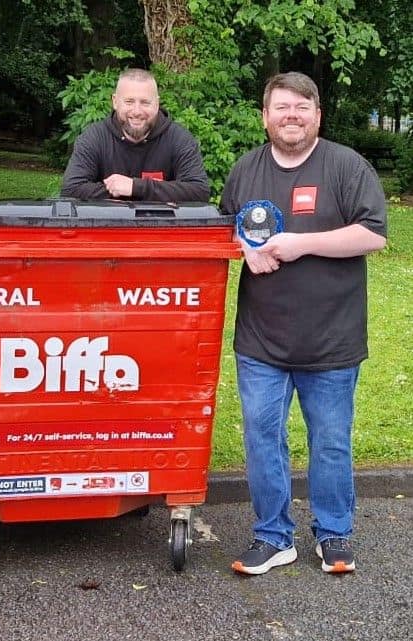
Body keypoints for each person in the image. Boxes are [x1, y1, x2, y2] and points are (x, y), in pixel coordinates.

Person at [220, 72, 387, 576]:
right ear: (265, 116)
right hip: (261, 339)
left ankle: (334, 533)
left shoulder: (346, 166)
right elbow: (224, 226)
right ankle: (273, 537)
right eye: (281, 107)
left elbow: (373, 234)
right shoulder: (246, 168)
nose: (291, 116)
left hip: (331, 338)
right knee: (262, 438)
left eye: (301, 107)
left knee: (330, 442)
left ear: (317, 114)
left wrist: (301, 243)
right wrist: (244, 248)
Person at [60, 68, 210, 202]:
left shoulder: (179, 139)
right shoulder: (94, 137)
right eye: (129, 101)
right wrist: (119, 191)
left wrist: (135, 187)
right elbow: (71, 189)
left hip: (160, 224)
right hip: (109, 223)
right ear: (115, 102)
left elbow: (199, 191)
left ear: (157, 104)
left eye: (145, 102)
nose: (137, 111)